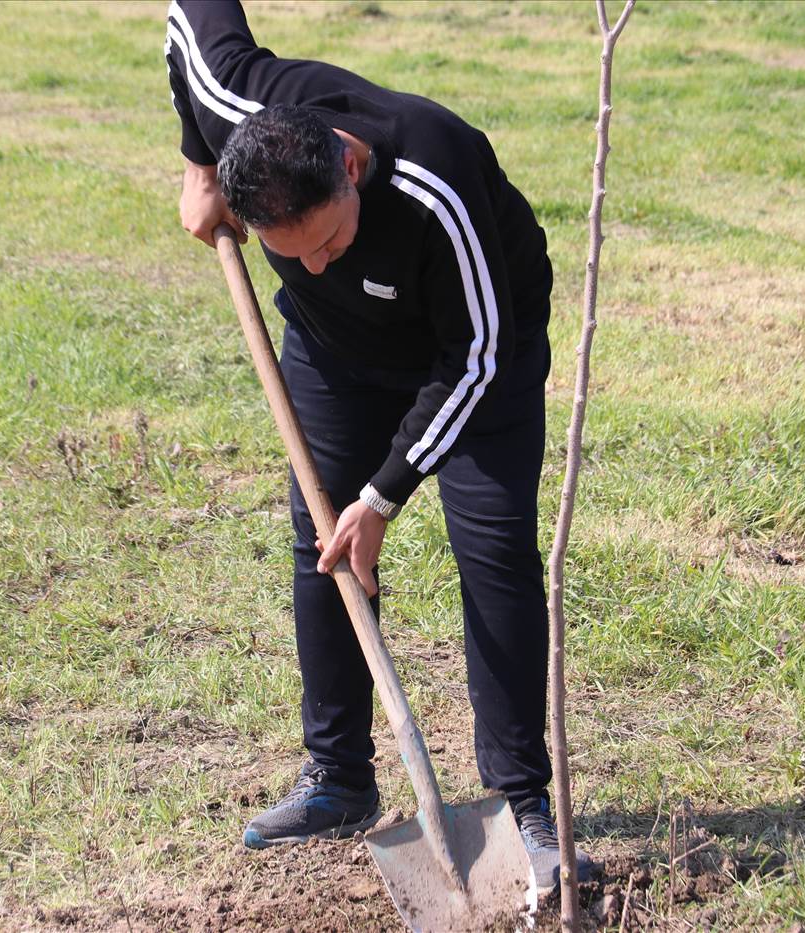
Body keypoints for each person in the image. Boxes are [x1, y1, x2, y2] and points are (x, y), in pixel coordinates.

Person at [164, 0, 595, 891]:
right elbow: (188, 20)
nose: (317, 262)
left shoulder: (437, 179)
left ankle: (523, 803)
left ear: (350, 166)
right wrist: (200, 164)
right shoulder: (239, 105)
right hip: (337, 351)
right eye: (294, 253)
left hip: (478, 346)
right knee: (322, 543)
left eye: (329, 238)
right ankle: (339, 778)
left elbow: (477, 357)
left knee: (495, 553)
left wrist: (384, 493)